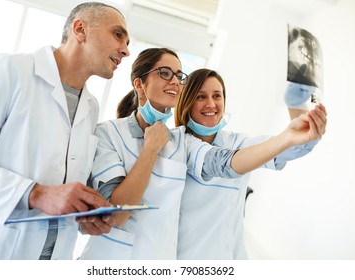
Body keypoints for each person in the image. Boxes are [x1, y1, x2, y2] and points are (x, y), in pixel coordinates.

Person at [79, 48, 325, 260]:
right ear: (139, 84)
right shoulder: (109, 133)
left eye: (178, 75)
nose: (174, 81)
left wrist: (292, 124)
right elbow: (114, 213)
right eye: (165, 73)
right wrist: (151, 148)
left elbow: (223, 162)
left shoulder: (180, 142)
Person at [0, 2, 130, 260]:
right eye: (117, 34)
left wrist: (84, 216)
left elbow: (61, 188)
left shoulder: (91, 106)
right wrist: (35, 194)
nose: (126, 50)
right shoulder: (8, 72)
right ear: (80, 29)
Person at [174, 68, 327, 259]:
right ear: (186, 102)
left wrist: (297, 106)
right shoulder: (179, 146)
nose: (211, 104)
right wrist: (286, 138)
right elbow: (222, 163)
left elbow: (293, 148)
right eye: (201, 97)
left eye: (217, 96)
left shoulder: (238, 142)